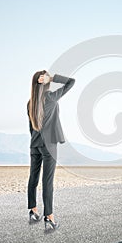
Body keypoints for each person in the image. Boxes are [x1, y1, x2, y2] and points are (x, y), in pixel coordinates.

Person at [27, 70, 75, 232]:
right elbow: (71, 81)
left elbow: (30, 128)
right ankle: (49, 217)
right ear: (45, 82)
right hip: (49, 146)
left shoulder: (30, 102)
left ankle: (33, 211)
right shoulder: (51, 97)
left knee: (33, 178)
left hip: (34, 144)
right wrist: (53, 77)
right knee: (47, 182)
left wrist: (36, 140)